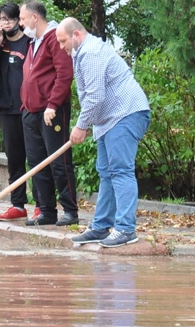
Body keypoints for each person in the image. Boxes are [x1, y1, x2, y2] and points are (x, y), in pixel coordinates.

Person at [55, 17, 151, 248]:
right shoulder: (82, 52)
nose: (61, 47)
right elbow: (92, 95)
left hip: (126, 114)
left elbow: (95, 96)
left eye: (63, 41)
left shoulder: (92, 53)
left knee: (120, 170)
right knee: (106, 172)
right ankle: (100, 226)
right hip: (109, 120)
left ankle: (126, 229)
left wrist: (81, 125)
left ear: (76, 34)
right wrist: (88, 123)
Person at [19, 0, 79, 227]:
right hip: (31, 111)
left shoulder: (55, 37)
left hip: (51, 111)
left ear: (35, 17)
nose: (21, 25)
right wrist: (25, 105)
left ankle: (70, 210)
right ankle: (46, 210)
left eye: (23, 19)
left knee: (59, 161)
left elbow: (64, 74)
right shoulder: (33, 42)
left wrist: (52, 104)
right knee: (36, 163)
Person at [0, 2, 31, 221]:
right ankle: (17, 205)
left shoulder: (29, 43)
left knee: (36, 157)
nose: (5, 23)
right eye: (2, 19)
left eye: (9, 19)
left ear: (19, 21)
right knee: (15, 159)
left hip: (29, 109)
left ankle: (43, 207)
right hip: (7, 110)